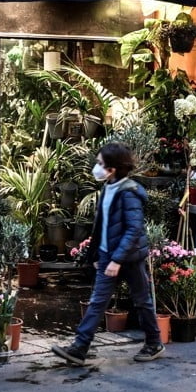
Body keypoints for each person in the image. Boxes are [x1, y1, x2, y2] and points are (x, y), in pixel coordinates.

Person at [52, 142, 165, 366]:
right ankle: (79, 348)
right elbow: (102, 227)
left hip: (129, 259)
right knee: (97, 302)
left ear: (112, 168)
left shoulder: (129, 193)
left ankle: (154, 343)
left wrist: (116, 259)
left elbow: (134, 229)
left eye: (100, 163)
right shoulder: (108, 188)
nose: (97, 167)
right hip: (107, 256)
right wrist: (97, 256)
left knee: (142, 301)